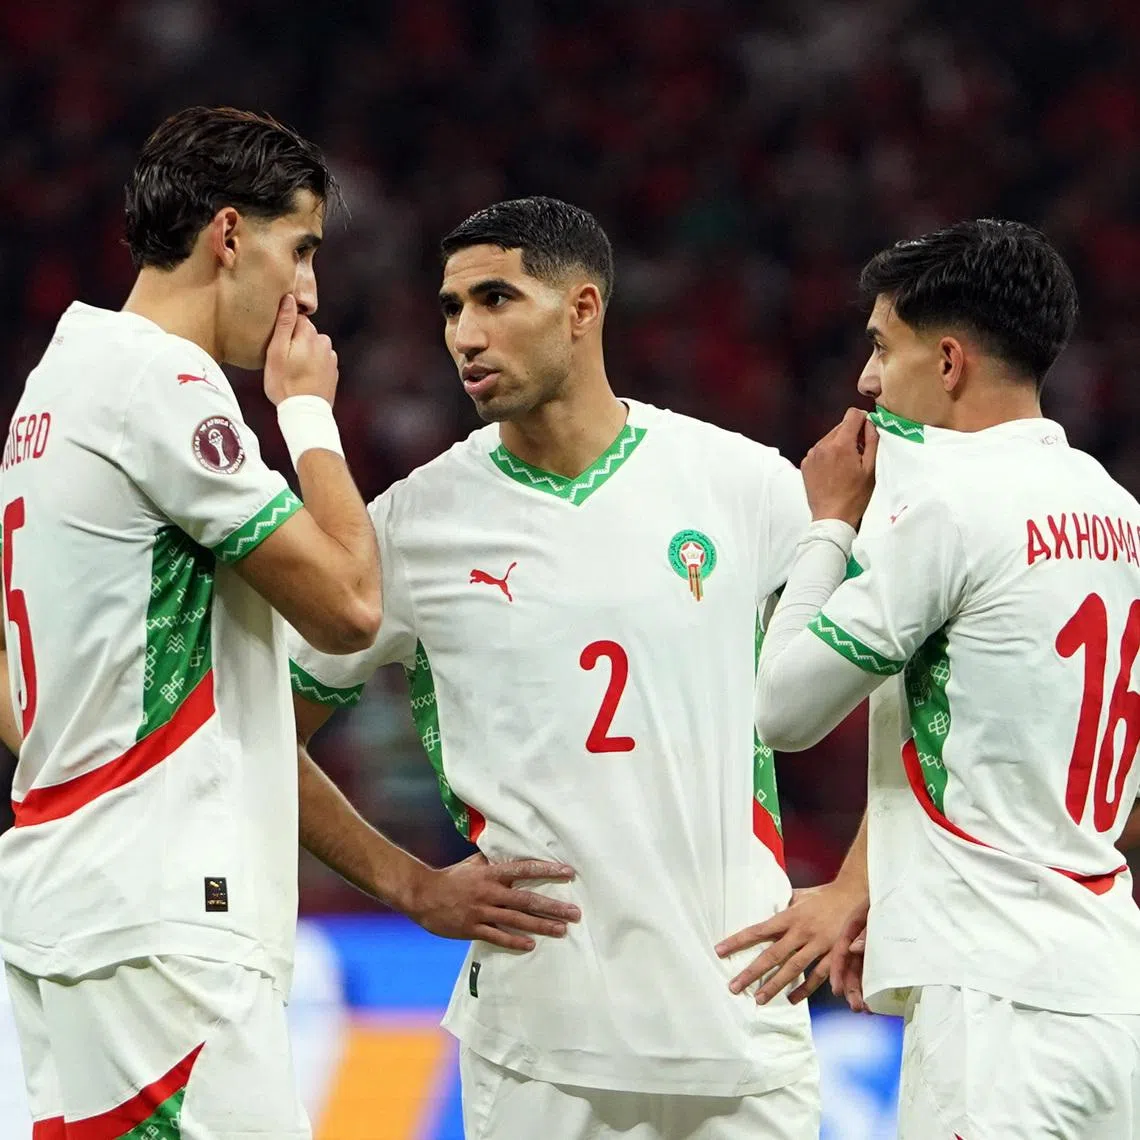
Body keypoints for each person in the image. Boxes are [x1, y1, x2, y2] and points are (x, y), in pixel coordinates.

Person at [0, 108, 574, 1140]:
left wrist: (410, 884)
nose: (307, 289)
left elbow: (64, 709)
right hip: (162, 931)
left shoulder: (54, 392)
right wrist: (306, 413)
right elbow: (351, 607)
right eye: (299, 247)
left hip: (88, 917)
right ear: (230, 235)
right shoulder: (156, 384)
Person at [289, 196, 826, 1139]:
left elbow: (907, 658)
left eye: (496, 298)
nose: (465, 334)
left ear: (583, 308)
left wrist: (856, 887)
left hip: (743, 1014)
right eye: (452, 309)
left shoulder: (743, 486)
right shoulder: (416, 525)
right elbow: (259, 733)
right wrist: (411, 884)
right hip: (541, 1041)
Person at [744, 219, 1140, 1138]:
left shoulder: (946, 508)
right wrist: (873, 880)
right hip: (1109, 991)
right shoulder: (1116, 511)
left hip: (994, 1012)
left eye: (883, 346)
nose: (866, 381)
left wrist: (829, 526)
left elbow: (782, 709)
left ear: (950, 360)